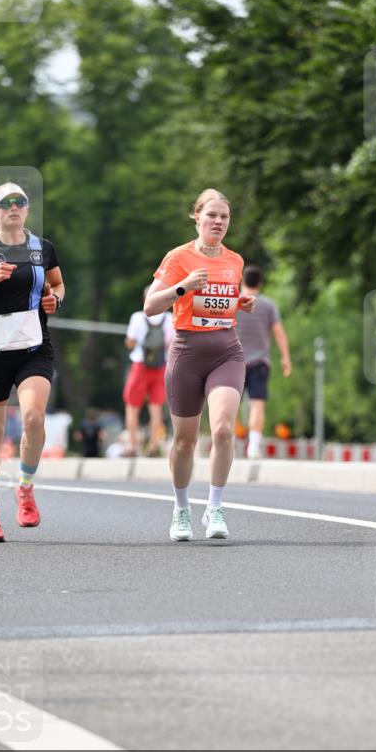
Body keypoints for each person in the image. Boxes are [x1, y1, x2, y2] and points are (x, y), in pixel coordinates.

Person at [144, 188, 255, 541]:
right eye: (212, 215)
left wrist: (240, 303)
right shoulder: (178, 258)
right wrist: (183, 287)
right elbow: (150, 307)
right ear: (197, 216)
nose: (219, 222)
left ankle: (215, 507)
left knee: (223, 429)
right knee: (184, 440)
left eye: (225, 216)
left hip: (227, 352)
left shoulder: (235, 261)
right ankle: (180, 510)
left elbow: (221, 303)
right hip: (187, 353)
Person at [0, 182, 65, 542]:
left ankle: (25, 487)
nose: (13, 208)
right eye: (5, 203)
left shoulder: (42, 248)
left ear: (28, 210)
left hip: (34, 347)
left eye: (20, 202)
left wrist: (56, 300)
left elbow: (58, 285)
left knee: (34, 417)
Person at [235, 264, 292, 458]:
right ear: (260, 283)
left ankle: (230, 440)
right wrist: (286, 358)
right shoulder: (268, 305)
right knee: (257, 404)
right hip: (260, 362)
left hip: (234, 360)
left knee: (230, 403)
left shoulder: (233, 302)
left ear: (242, 281)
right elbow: (279, 334)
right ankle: (253, 446)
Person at [122, 286, 173, 456]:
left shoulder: (137, 318)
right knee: (156, 407)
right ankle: (152, 446)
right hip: (160, 366)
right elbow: (170, 344)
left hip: (140, 365)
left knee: (132, 406)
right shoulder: (169, 318)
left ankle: (133, 445)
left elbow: (130, 342)